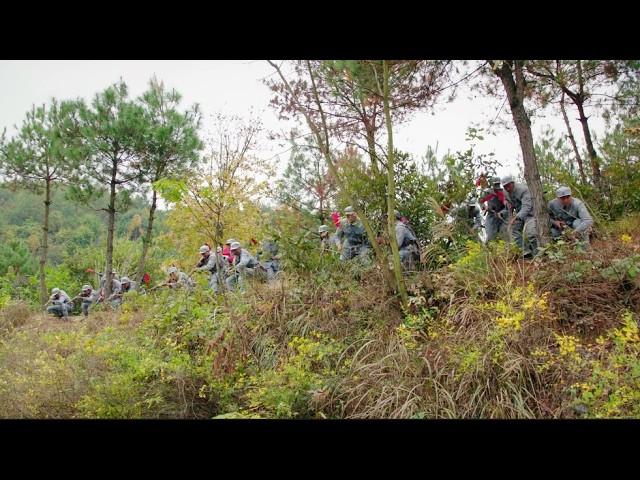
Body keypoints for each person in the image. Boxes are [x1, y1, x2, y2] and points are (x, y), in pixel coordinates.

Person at [502, 174, 538, 258]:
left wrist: (517, 217)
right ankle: (525, 252)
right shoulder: (505, 193)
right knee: (513, 229)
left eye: (508, 185)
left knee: (531, 233)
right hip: (519, 215)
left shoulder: (523, 190)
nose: (507, 188)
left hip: (531, 214)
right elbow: (509, 206)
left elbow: (527, 207)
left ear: (512, 183)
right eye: (505, 186)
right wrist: (508, 209)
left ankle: (538, 254)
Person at [479, 177, 510, 242]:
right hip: (491, 216)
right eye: (495, 184)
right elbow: (480, 201)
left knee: (504, 234)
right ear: (492, 184)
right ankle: (489, 249)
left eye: (498, 184)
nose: (497, 186)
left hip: (502, 216)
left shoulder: (504, 192)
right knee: (490, 235)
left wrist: (502, 212)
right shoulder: (487, 192)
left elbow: (507, 206)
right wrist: (484, 207)